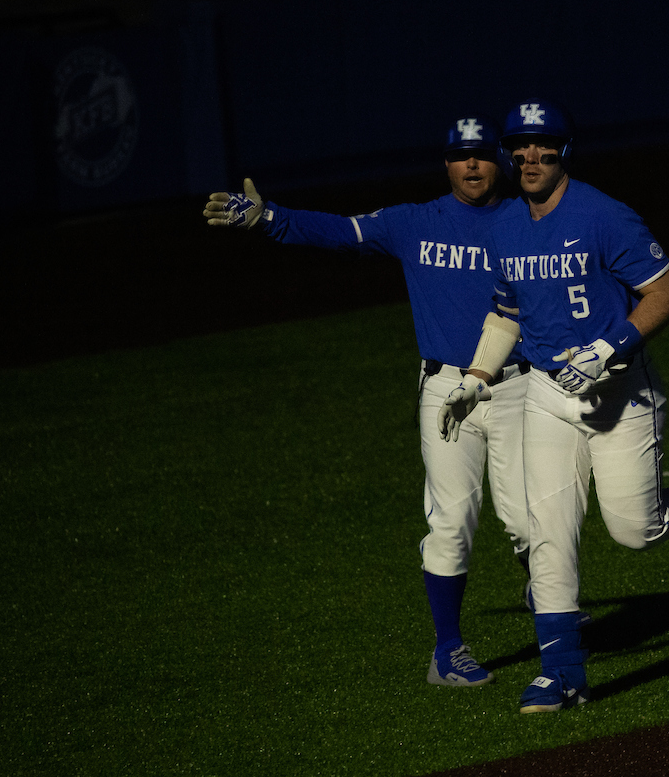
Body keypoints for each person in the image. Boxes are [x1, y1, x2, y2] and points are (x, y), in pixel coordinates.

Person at [203, 115, 530, 688]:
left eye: (481, 154)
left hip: (519, 387)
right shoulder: (413, 223)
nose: (472, 165)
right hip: (444, 392)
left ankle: (548, 600)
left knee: (532, 518)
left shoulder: (528, 221)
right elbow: (339, 231)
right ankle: (448, 651)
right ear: (446, 163)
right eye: (461, 155)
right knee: (452, 521)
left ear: (498, 161)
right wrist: (270, 218)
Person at [438, 99, 669, 713]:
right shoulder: (507, 226)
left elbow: (668, 296)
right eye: (520, 145)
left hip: (620, 394)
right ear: (508, 153)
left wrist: (607, 346)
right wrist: (476, 376)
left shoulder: (606, 216)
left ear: (564, 151)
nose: (530, 155)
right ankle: (563, 672)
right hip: (547, 395)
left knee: (634, 530)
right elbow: (507, 311)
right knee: (549, 532)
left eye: (544, 145)